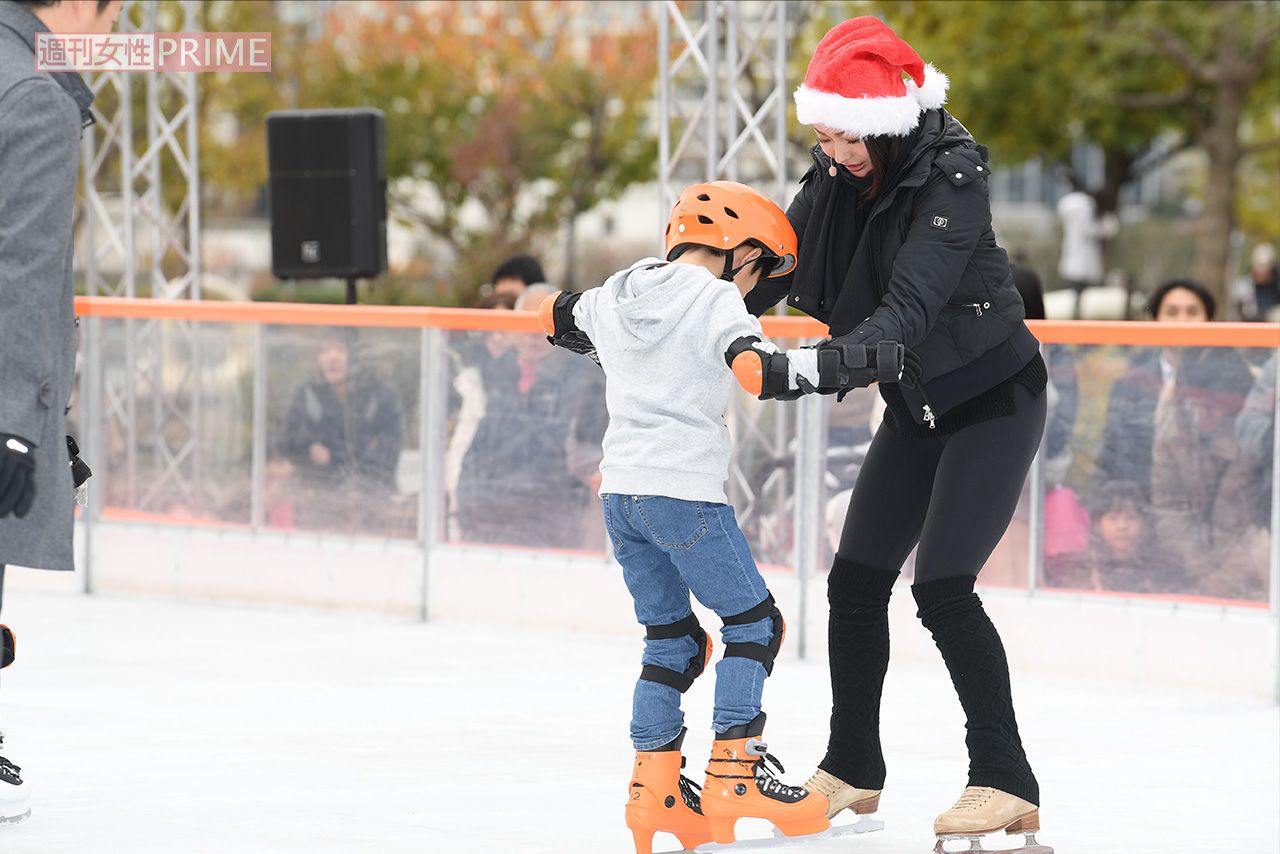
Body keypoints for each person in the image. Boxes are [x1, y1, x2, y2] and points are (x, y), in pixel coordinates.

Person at [741, 17, 1052, 850]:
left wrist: (803, 370)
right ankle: (852, 766)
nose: (834, 152)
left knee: (942, 587)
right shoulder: (842, 172)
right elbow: (774, 257)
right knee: (855, 581)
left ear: (883, 123)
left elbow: (906, 314)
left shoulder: (952, 175)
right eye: (823, 136)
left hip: (993, 398)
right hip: (917, 406)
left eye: (845, 137)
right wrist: (680, 311)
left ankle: (1005, 780)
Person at [540, 182, 878, 850]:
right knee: (754, 624)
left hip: (622, 496)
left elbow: (554, 315)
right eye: (758, 272)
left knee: (672, 640)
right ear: (741, 249)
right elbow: (756, 374)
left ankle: (655, 789)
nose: (752, 289)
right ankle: (736, 770)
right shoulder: (718, 297)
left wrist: (616, 344)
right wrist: (856, 364)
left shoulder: (618, 291)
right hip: (684, 491)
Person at [0, 0, 124, 825]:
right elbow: (24, 270)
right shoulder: (38, 95)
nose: (115, 43)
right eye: (117, 20)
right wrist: (18, 423)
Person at [453, 286, 608, 550]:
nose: (533, 335)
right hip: (491, 519)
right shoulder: (493, 374)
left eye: (542, 324)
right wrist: (468, 511)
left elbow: (580, 455)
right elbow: (475, 453)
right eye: (525, 322)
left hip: (555, 523)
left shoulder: (585, 378)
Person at [278, 331, 405, 533]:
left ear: (356, 357)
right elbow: (292, 442)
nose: (332, 357)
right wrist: (312, 449)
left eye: (340, 350)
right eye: (324, 350)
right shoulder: (306, 393)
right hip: (317, 502)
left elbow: (386, 453)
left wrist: (333, 457)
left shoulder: (382, 395)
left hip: (371, 505)